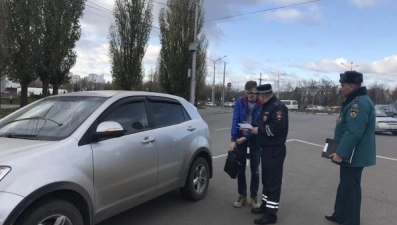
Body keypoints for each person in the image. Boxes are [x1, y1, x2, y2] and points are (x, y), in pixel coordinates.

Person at [325, 71, 376, 225]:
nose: (341, 88)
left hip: (353, 154)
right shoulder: (355, 100)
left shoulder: (357, 103)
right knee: (345, 186)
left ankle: (351, 221)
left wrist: (340, 153)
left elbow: (353, 132)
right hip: (350, 153)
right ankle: (340, 215)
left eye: (343, 85)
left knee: (351, 188)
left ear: (352, 86)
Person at [251, 84, 288, 224]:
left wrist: (259, 130)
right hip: (267, 149)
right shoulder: (267, 106)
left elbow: (277, 128)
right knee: (266, 179)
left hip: (275, 149)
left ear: (263, 95)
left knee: (273, 181)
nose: (258, 99)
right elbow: (264, 122)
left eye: (258, 96)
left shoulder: (278, 107)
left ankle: (271, 214)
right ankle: (265, 206)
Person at [230, 80, 263, 209]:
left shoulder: (261, 103)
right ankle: (242, 195)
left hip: (255, 138)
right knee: (240, 168)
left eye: (253, 93)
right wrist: (233, 139)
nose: (250, 96)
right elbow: (235, 119)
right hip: (240, 137)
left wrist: (247, 136)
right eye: (248, 93)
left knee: (255, 169)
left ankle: (254, 197)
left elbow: (259, 125)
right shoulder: (240, 101)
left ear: (257, 92)